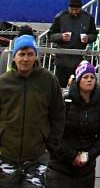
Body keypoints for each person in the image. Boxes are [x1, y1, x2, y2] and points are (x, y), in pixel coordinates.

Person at [0, 35, 65, 188]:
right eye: (21, 54)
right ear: (14, 57)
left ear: (36, 56)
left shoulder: (49, 81)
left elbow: (58, 115)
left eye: (30, 54)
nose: (25, 59)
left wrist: (51, 145)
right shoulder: (3, 83)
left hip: (37, 157)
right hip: (5, 156)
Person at [47, 61, 100, 187]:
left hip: (86, 169)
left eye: (92, 77)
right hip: (60, 167)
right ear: (78, 80)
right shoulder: (65, 102)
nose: (89, 80)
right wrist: (72, 156)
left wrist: (89, 155)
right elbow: (54, 132)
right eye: (85, 77)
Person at [47, 0, 98, 88]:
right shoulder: (60, 17)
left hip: (79, 59)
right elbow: (50, 35)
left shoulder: (88, 18)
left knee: (78, 88)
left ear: (81, 8)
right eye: (72, 9)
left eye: (77, 9)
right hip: (62, 59)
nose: (74, 11)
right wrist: (61, 36)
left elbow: (94, 35)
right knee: (59, 88)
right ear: (68, 7)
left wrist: (88, 38)